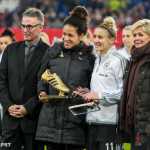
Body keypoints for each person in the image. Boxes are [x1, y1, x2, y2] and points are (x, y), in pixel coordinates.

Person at [35, 6, 95, 150]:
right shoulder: (52, 51)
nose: (65, 38)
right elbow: (41, 78)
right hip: (51, 121)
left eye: (71, 35)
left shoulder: (90, 57)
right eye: (64, 34)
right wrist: (41, 92)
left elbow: (93, 87)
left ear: (81, 35)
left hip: (76, 122)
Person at [0, 8, 50, 150]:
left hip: (33, 122)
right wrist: (9, 106)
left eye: (29, 26)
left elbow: (46, 87)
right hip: (10, 121)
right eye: (23, 25)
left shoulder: (49, 52)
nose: (25, 30)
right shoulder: (10, 50)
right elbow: (1, 82)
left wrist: (27, 108)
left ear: (40, 27)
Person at [78, 16, 128, 150]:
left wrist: (98, 95)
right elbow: (100, 89)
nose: (96, 40)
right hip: (91, 121)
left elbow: (125, 93)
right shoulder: (96, 59)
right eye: (95, 36)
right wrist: (88, 93)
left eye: (101, 37)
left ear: (112, 40)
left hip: (110, 124)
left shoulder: (119, 60)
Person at [120, 19, 150, 150]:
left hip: (147, 129)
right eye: (135, 35)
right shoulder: (134, 58)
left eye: (141, 35)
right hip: (136, 125)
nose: (136, 38)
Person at [0, 28, 16, 141]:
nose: (3, 46)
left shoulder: (17, 60)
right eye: (1, 43)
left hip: (11, 103)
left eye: (6, 43)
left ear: (12, 43)